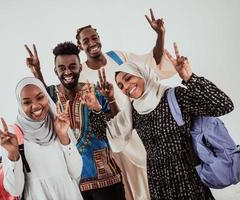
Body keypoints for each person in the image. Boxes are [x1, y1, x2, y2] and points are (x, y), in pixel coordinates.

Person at [107, 43, 234, 200]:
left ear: (141, 73)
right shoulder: (134, 111)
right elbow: (111, 132)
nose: (126, 87)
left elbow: (223, 106)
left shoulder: (175, 97)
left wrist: (189, 77)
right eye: (121, 86)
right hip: (158, 184)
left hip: (188, 181)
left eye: (128, 78)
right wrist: (98, 105)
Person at [75, 9, 176, 200]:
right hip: (112, 138)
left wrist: (160, 34)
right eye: (85, 41)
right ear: (80, 46)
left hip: (136, 127)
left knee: (148, 177)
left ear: (99, 38)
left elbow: (150, 62)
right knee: (126, 186)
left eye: (94, 37)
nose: (92, 43)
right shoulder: (81, 73)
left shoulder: (117, 57)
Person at [24, 42, 126, 200]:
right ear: (55, 70)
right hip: (71, 185)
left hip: (107, 180)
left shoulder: (96, 91)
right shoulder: (51, 93)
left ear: (80, 67)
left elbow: (117, 128)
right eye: (62, 68)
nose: (67, 72)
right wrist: (37, 71)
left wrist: (110, 99)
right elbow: (43, 98)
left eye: (72, 66)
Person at [0, 77, 83, 200]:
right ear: (20, 104)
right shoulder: (13, 135)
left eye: (40, 97)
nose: (35, 106)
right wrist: (13, 154)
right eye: (27, 102)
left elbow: (76, 173)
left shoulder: (58, 124)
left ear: (47, 97)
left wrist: (63, 136)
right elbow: (15, 189)